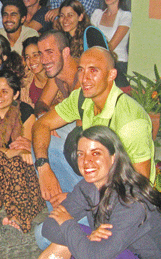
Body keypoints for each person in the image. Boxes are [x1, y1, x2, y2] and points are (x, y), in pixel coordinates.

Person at [32, 46, 154, 215]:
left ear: (111, 75)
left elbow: (139, 187)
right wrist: (43, 168)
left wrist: (81, 199)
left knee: (44, 236)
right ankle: (62, 214)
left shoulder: (130, 122)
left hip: (121, 199)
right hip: (92, 179)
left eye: (93, 70)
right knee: (44, 145)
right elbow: (41, 125)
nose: (84, 78)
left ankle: (75, 219)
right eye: (81, 70)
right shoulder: (83, 97)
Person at [38, 126, 161, 259]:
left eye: (96, 153)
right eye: (81, 154)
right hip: (114, 251)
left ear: (113, 158)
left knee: (71, 236)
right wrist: (87, 239)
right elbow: (49, 226)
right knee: (65, 238)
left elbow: (92, 255)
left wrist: (70, 226)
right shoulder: (86, 187)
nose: (86, 161)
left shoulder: (131, 200)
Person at [0, 70, 44, 233]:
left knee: (16, 161)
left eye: (5, 91)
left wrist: (19, 152)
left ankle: (17, 220)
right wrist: (17, 152)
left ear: (16, 94)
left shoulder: (25, 112)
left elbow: (26, 148)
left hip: (24, 178)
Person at [90, 0, 131, 76]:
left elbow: (111, 46)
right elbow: (91, 40)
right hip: (96, 61)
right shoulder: (97, 14)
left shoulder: (125, 16)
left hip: (118, 63)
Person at [35, 30, 79, 118]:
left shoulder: (83, 74)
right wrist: (44, 116)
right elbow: (42, 103)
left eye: (49, 52)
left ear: (65, 52)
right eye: (41, 54)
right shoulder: (57, 72)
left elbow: (77, 111)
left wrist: (49, 120)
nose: (43, 60)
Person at [20, 37, 64, 108]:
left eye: (35, 55)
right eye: (27, 57)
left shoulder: (60, 78)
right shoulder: (25, 82)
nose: (31, 61)